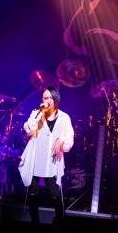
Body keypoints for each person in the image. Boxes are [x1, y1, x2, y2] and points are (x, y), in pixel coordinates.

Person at [18, 87, 74, 225]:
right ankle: (35, 221)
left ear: (55, 99)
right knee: (33, 191)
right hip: (35, 156)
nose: (47, 100)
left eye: (50, 97)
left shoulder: (64, 117)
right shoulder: (37, 113)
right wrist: (40, 113)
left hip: (51, 159)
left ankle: (60, 220)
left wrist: (61, 141)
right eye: (45, 97)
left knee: (53, 192)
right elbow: (29, 129)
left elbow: (69, 137)